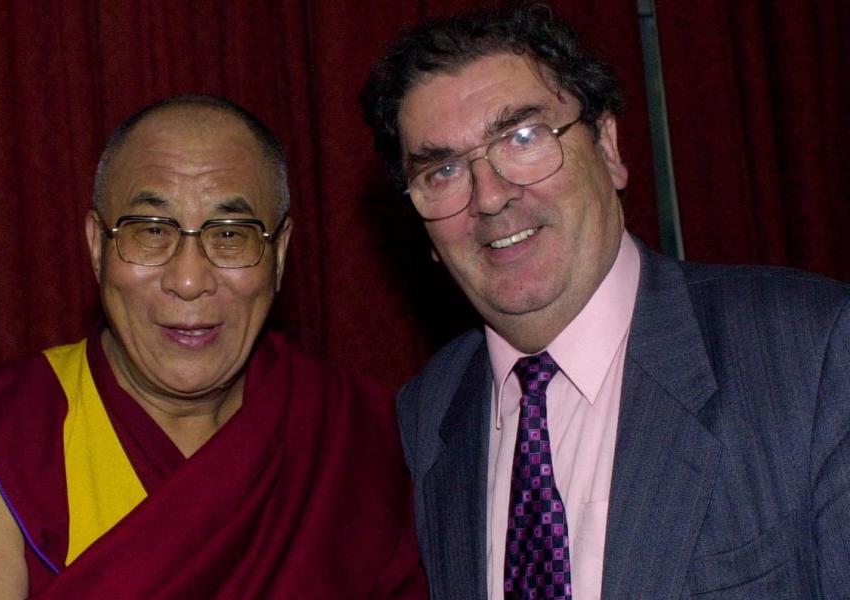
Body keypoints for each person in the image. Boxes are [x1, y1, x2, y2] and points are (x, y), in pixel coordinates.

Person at [361, 3, 850, 599]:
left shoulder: (810, 352)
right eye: (442, 171)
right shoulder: (429, 413)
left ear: (610, 147)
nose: (488, 197)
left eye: (523, 137)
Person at [0, 94, 426, 598]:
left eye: (230, 234)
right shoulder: (8, 439)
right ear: (97, 246)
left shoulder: (355, 433)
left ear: (280, 252)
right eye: (150, 230)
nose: (188, 279)